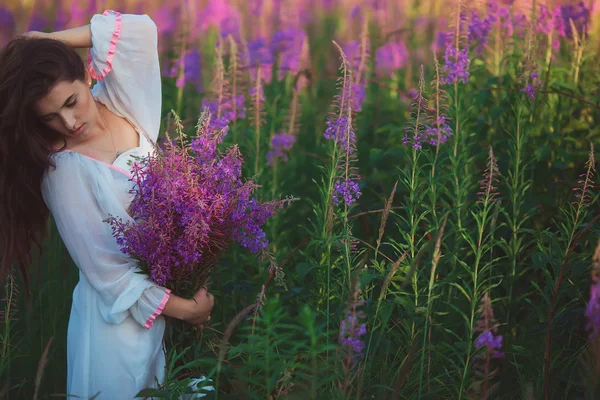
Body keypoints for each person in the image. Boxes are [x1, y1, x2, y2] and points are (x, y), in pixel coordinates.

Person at [0, 10, 215, 399]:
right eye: (50, 116)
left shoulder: (119, 102)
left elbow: (139, 30)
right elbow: (109, 277)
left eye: (71, 101)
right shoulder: (62, 168)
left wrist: (44, 40)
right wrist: (189, 311)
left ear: (86, 76)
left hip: (174, 295)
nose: (68, 122)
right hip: (120, 329)